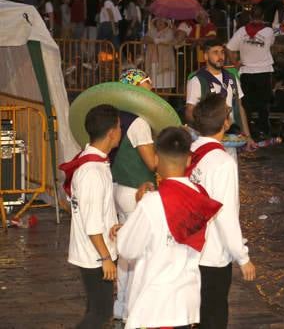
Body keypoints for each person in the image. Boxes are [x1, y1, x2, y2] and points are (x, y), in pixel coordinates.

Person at [116, 127, 222, 329]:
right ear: (189, 160)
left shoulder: (151, 203)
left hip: (155, 306)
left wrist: (136, 213)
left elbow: (127, 249)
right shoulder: (200, 198)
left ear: (156, 159)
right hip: (185, 304)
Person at [187, 93, 256, 328]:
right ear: (225, 123)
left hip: (187, 249)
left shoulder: (190, 151)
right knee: (214, 317)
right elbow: (225, 214)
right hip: (212, 253)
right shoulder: (223, 162)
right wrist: (242, 256)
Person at [60, 104, 122, 329]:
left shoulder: (93, 162)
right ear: (111, 133)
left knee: (95, 310)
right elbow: (92, 223)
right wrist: (105, 258)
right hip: (94, 254)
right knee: (100, 314)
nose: (121, 131)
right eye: (119, 127)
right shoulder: (92, 172)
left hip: (96, 249)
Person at [110, 69, 158, 321]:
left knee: (124, 251)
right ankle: (133, 308)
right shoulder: (139, 122)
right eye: (148, 86)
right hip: (136, 191)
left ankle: (121, 304)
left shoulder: (118, 117)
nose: (152, 91)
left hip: (119, 187)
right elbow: (152, 163)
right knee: (138, 252)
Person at [185, 38, 257, 152]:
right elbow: (190, 111)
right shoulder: (197, 80)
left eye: (222, 52)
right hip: (208, 138)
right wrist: (203, 133)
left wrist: (247, 136)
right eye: (215, 52)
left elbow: (240, 107)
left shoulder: (232, 78)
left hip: (230, 137)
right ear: (206, 56)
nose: (220, 56)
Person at [226, 6, 276, 139]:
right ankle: (264, 130)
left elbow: (229, 48)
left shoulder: (241, 31)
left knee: (246, 105)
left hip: (246, 72)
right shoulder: (268, 31)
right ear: (263, 17)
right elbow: (271, 44)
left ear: (250, 16)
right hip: (264, 71)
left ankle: (248, 131)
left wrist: (235, 63)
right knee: (263, 104)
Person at [143, 17, 177, 90]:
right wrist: (154, 40)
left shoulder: (169, 31)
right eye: (158, 21)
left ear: (166, 23)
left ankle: (166, 96)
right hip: (153, 61)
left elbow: (167, 40)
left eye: (162, 21)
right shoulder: (151, 31)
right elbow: (145, 39)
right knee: (153, 83)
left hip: (166, 61)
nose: (160, 22)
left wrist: (156, 40)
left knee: (166, 84)